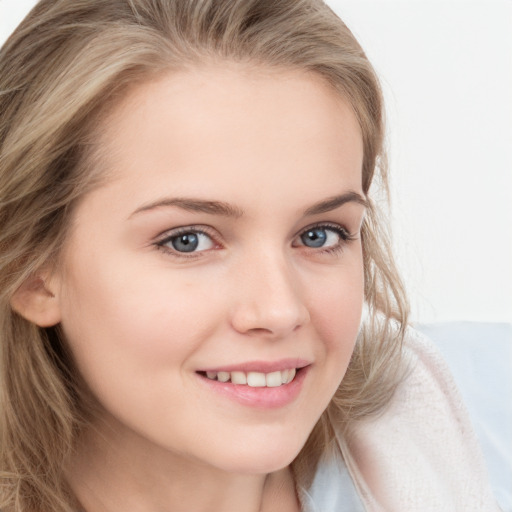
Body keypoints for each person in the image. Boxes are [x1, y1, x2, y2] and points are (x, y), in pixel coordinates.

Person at [0, 1, 500, 511]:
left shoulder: (481, 424)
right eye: (188, 240)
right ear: (30, 271)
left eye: (320, 234)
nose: (279, 311)